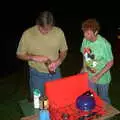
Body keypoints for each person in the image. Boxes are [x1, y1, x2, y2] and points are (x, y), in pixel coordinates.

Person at [16, 11, 68, 101]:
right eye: (43, 29)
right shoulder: (28, 34)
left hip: (55, 73)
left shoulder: (58, 32)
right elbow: (19, 54)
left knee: (58, 99)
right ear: (37, 24)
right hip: (37, 75)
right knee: (38, 102)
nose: (46, 32)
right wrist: (34, 57)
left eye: (49, 29)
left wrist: (59, 61)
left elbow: (64, 50)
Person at [80, 18, 114, 104]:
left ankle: (107, 115)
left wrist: (98, 76)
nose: (85, 35)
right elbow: (84, 54)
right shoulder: (85, 41)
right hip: (90, 75)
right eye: (84, 32)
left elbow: (110, 63)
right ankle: (96, 114)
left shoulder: (104, 45)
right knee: (91, 97)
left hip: (102, 78)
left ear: (95, 32)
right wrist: (83, 68)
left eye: (88, 33)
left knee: (103, 99)